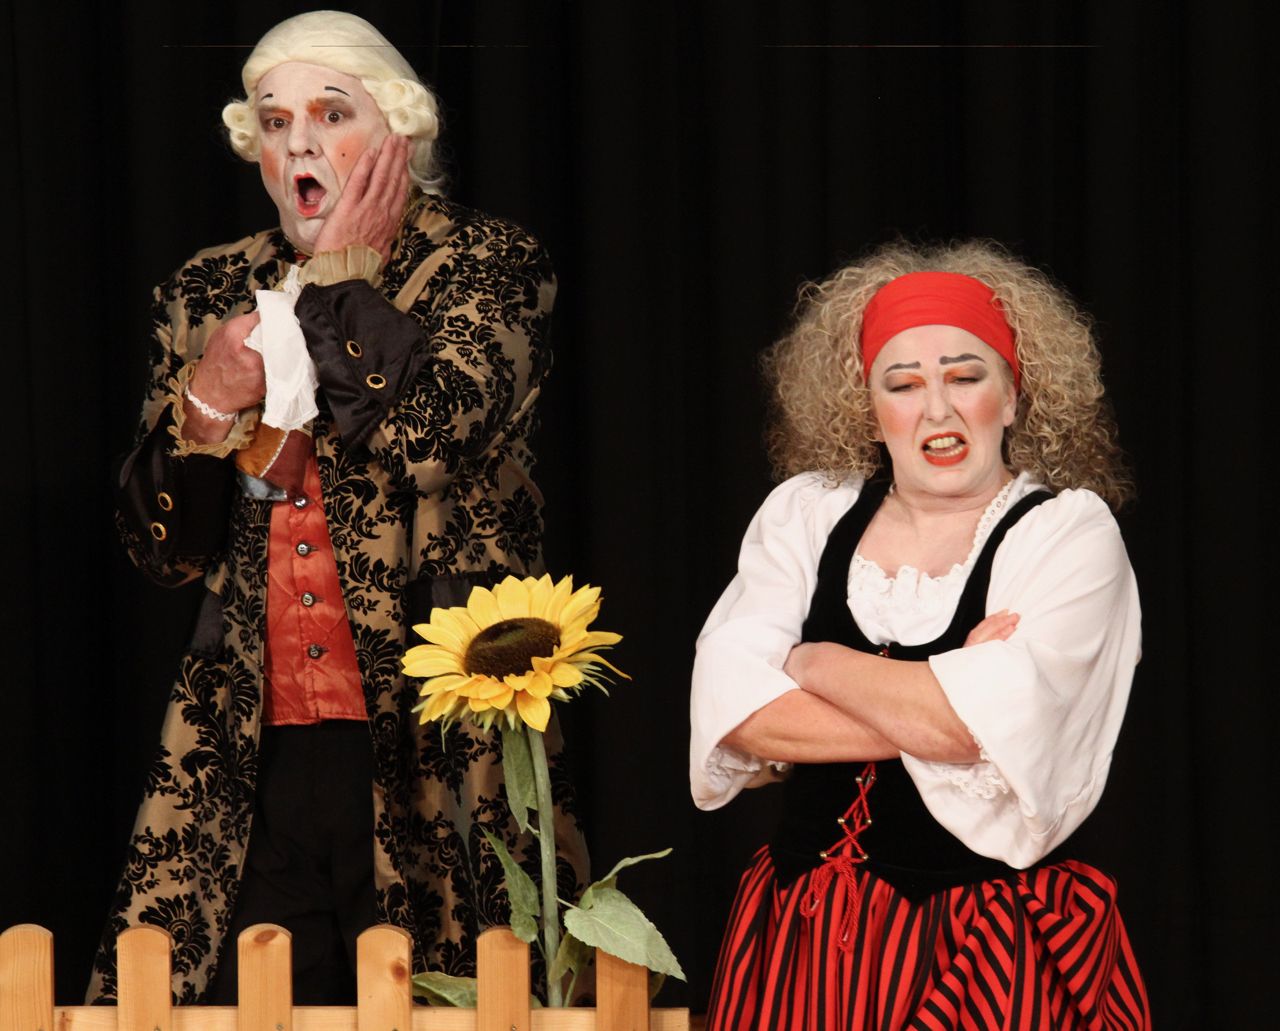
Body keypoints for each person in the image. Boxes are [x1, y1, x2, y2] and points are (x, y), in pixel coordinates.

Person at [93, 11, 586, 1005]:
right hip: (248, 744)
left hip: (436, 740)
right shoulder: (207, 288)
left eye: (331, 113)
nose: (299, 144)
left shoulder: (488, 264)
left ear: (397, 132)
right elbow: (162, 549)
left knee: (454, 995)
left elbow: (431, 438)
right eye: (275, 122)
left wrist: (343, 279)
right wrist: (206, 401)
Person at [690, 240, 1150, 1030]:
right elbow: (741, 715)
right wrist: (942, 698)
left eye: (966, 377)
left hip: (989, 946)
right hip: (801, 944)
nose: (936, 409)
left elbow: (966, 726)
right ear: (870, 410)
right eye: (903, 385)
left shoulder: (1067, 536)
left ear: (1013, 396)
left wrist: (811, 658)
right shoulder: (808, 515)